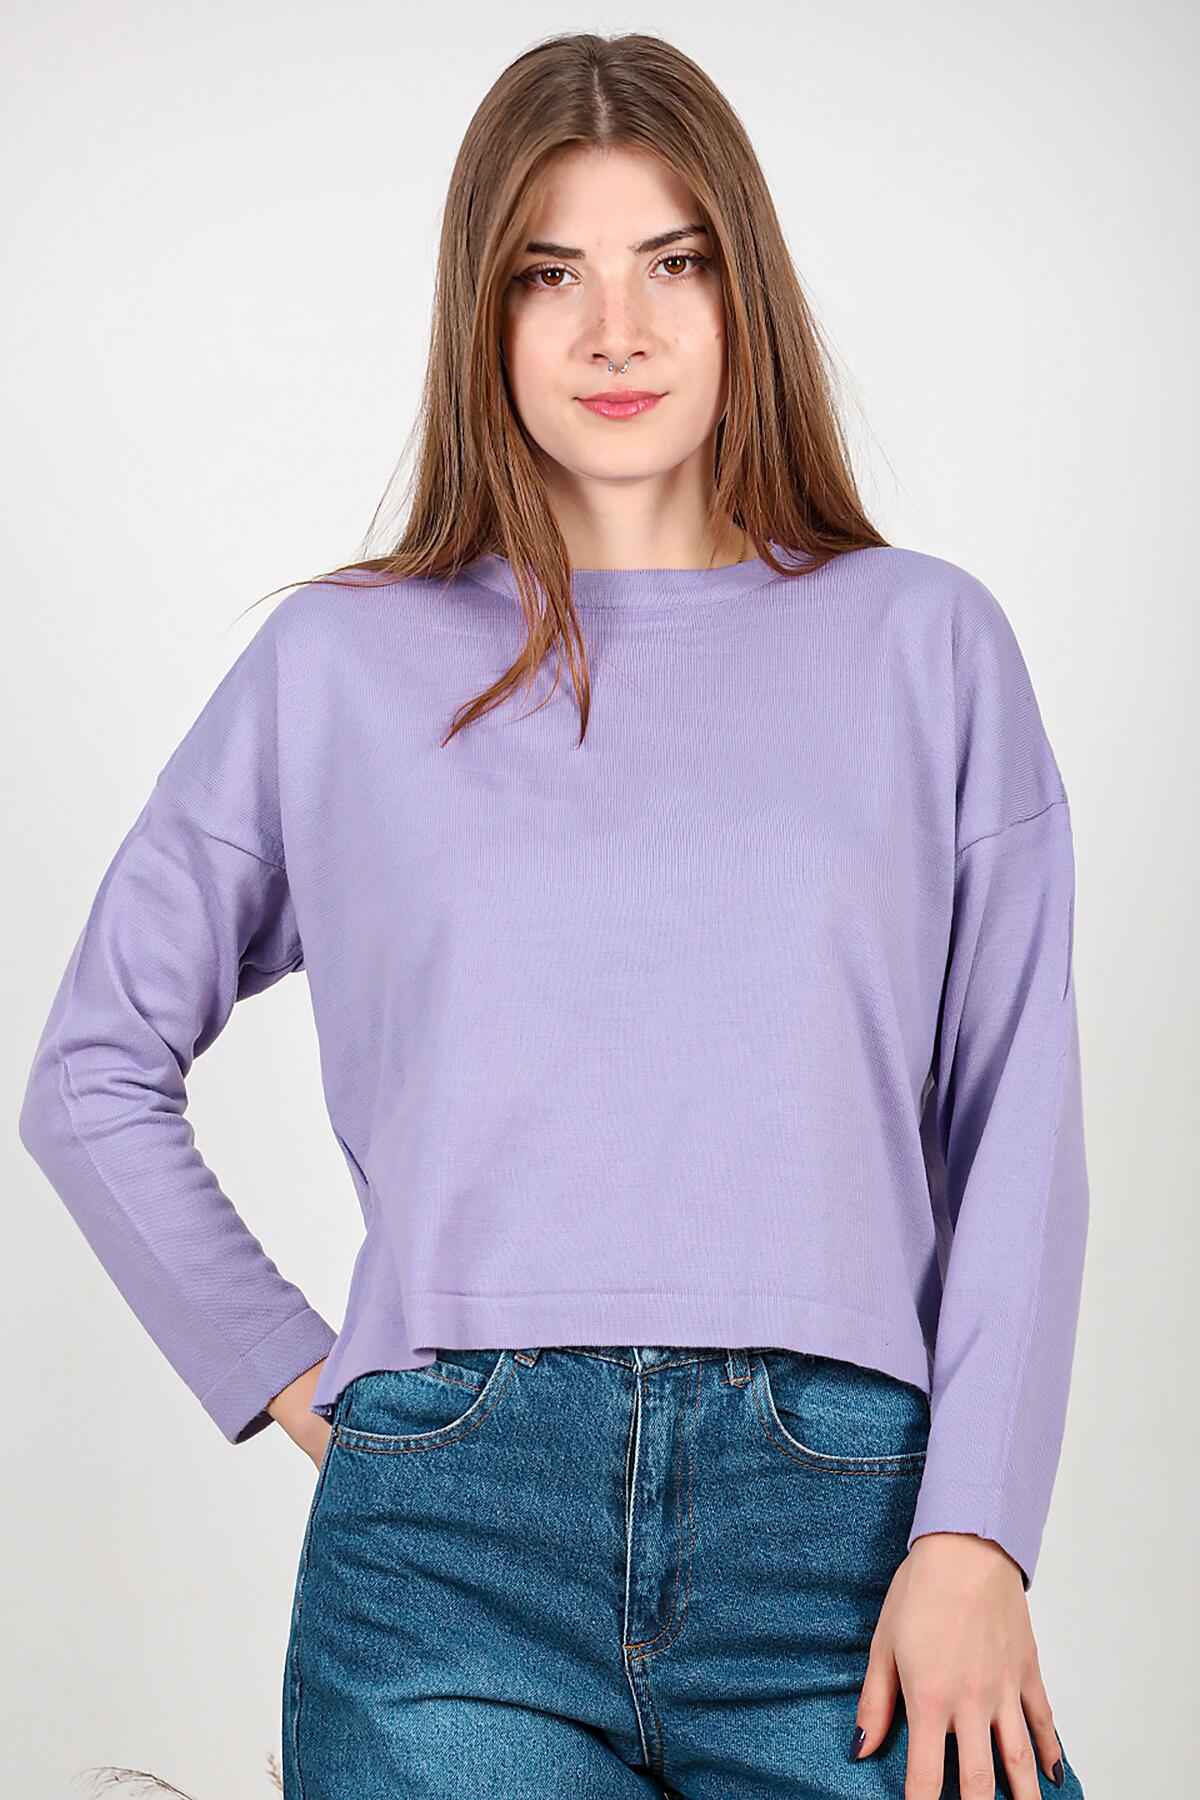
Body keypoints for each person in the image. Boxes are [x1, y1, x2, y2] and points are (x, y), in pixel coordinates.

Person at [17, 29, 1089, 1800]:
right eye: (550, 274)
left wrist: (979, 1531)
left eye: (674, 263)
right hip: (448, 1553)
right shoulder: (339, 666)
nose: (617, 332)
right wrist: (301, 1382)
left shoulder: (927, 645)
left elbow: (1017, 1121)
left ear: (744, 293)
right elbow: (91, 1072)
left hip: (852, 1538)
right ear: (483, 312)